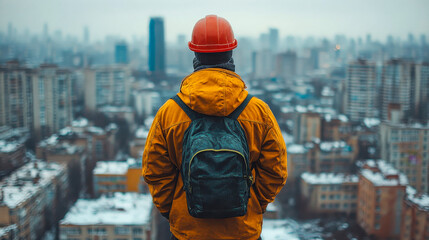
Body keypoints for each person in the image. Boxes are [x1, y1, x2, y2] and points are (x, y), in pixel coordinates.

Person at [142, 15, 287, 240]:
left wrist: (174, 209)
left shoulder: (169, 113)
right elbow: (276, 171)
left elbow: (155, 171)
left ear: (195, 55)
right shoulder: (258, 112)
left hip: (188, 232)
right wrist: (254, 204)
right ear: (231, 53)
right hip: (243, 231)